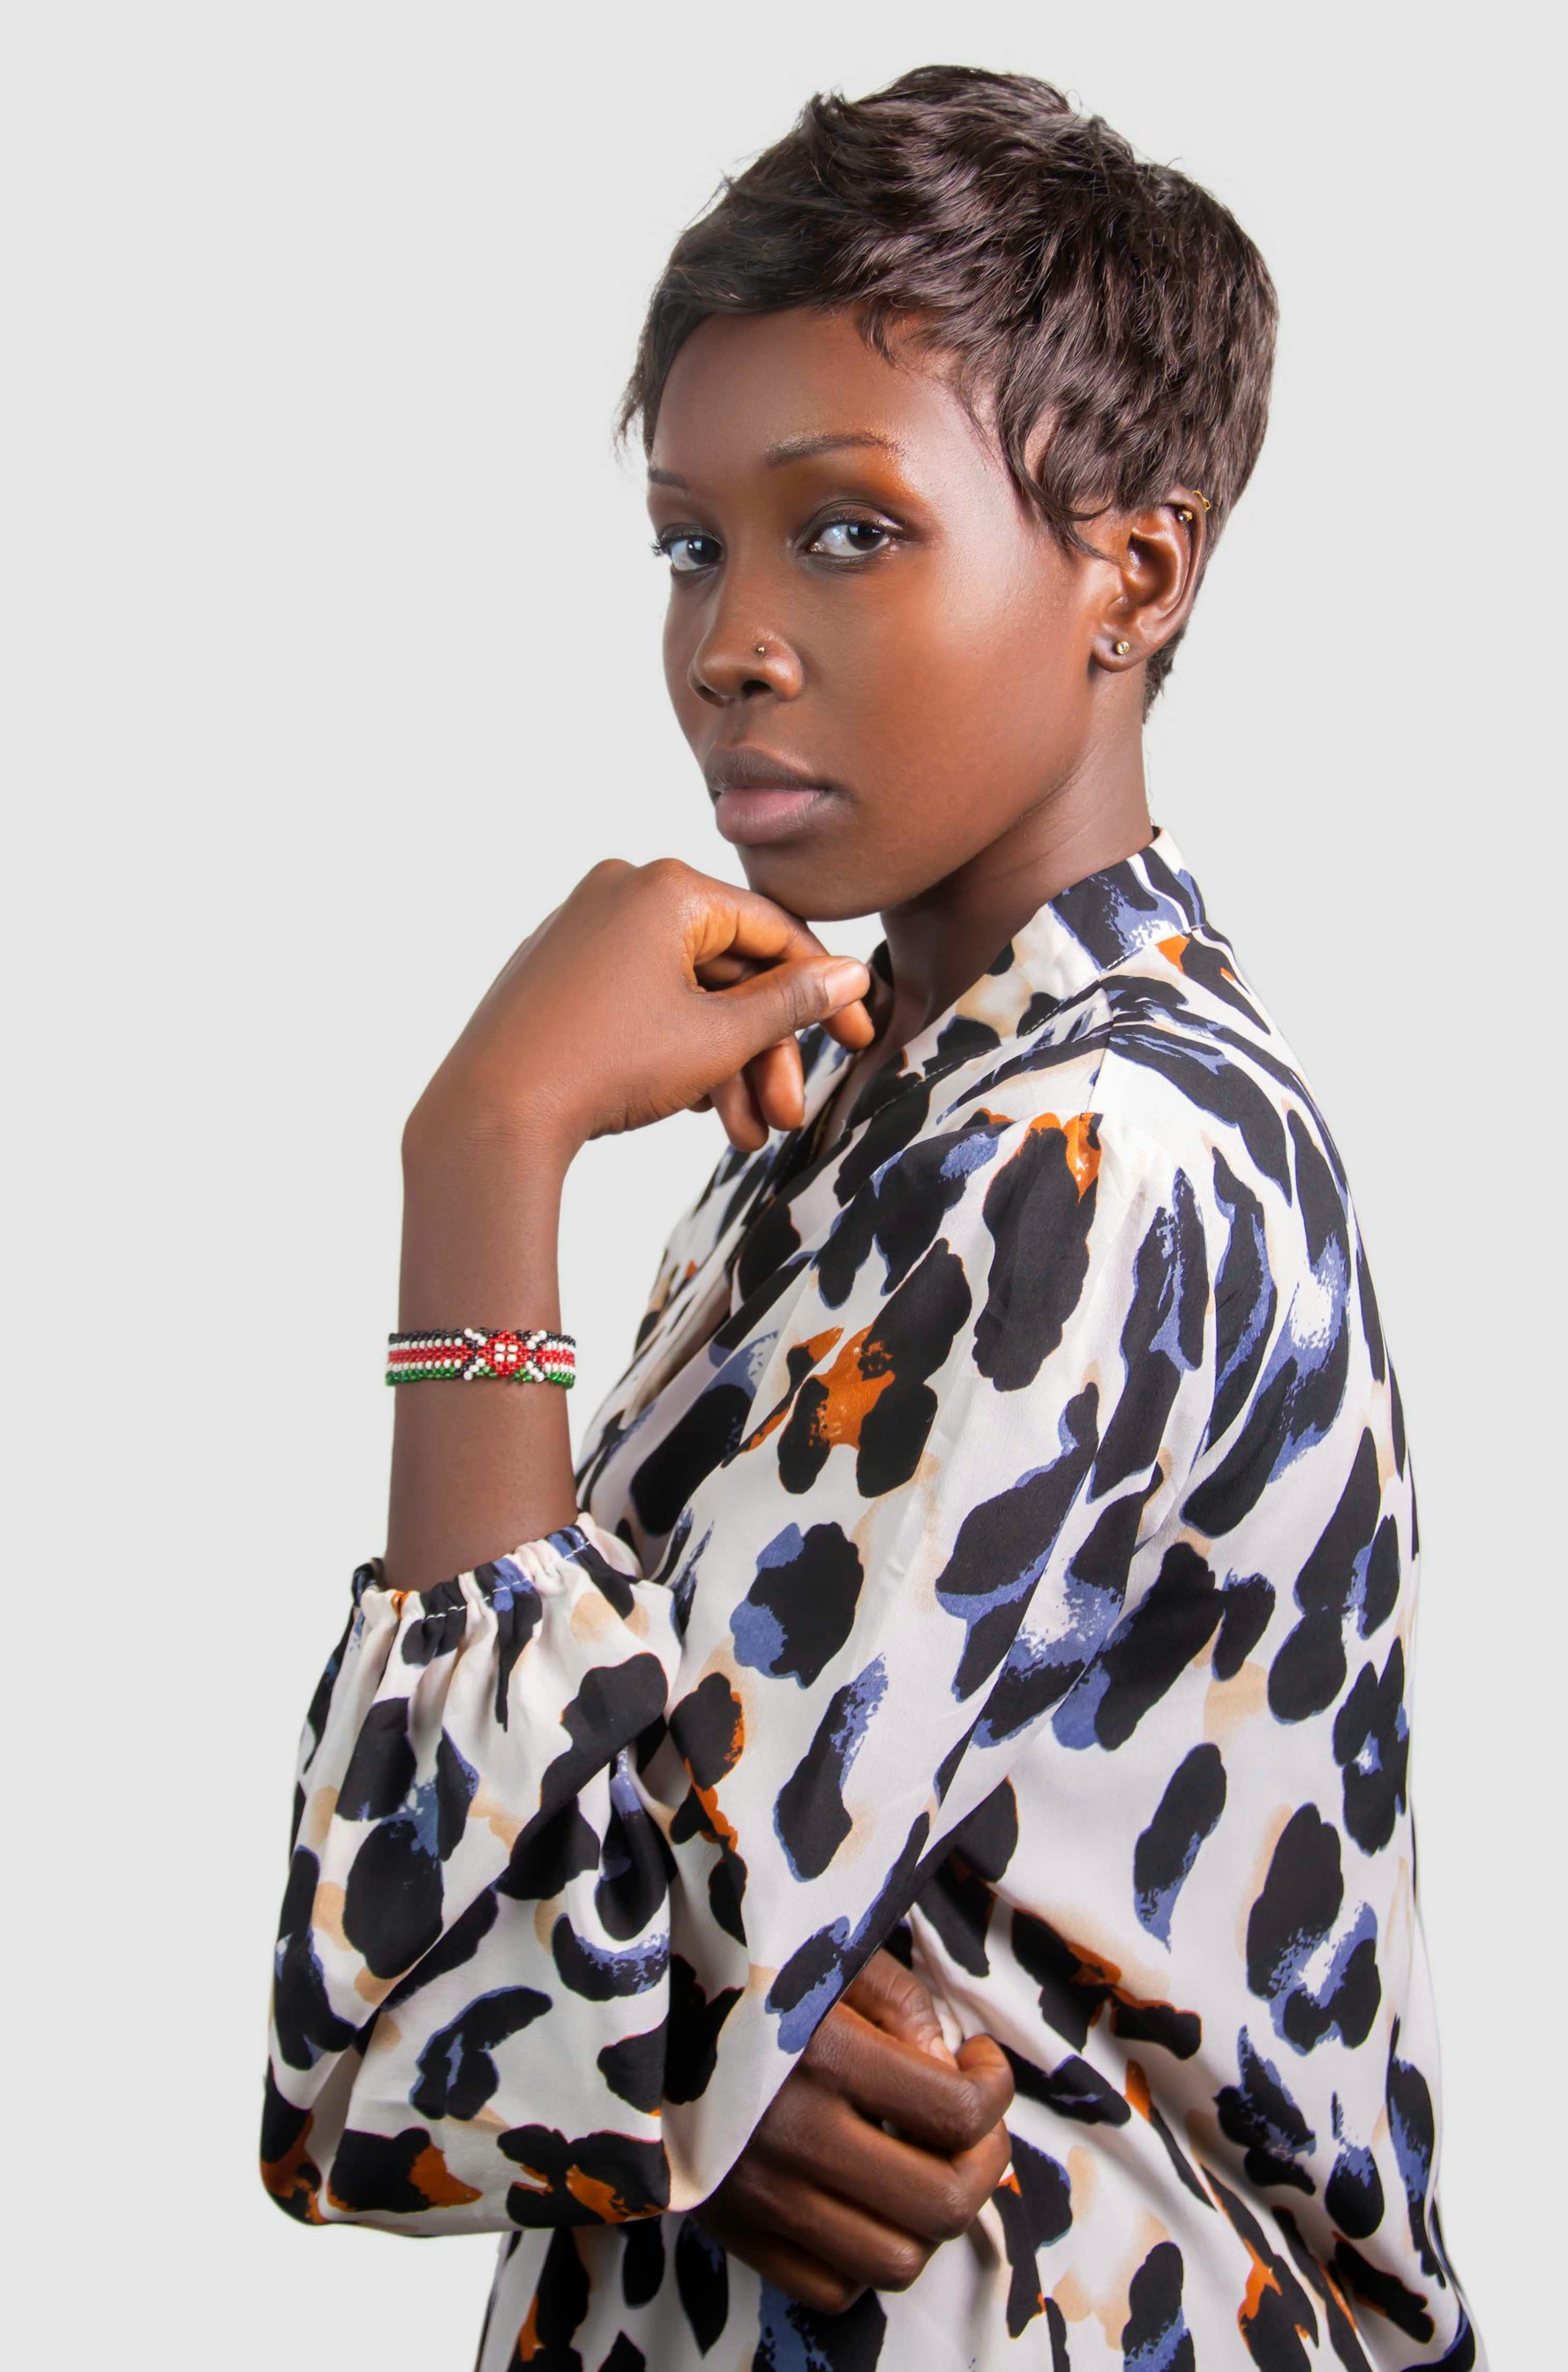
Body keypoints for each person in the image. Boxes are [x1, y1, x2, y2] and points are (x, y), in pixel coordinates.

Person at [262, 63, 1482, 2372]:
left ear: (1136, 570)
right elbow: (559, 1976)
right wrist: (682, 2061)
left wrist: (487, 1146)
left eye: (844, 531)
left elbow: (428, 1995)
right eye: (688, 543)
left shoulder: (1085, 1156)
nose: (730, 638)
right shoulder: (878, 1114)